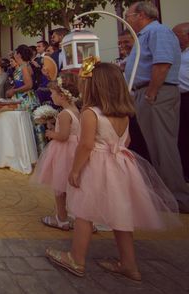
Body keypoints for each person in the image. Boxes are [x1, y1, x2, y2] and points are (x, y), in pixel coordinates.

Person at [45, 60, 179, 281]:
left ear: (94, 86)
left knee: (84, 213)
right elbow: (126, 141)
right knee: (121, 213)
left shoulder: (91, 113)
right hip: (120, 166)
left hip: (96, 165)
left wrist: (76, 170)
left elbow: (86, 145)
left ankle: (76, 258)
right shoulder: (124, 114)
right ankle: (129, 264)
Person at [124, 1, 189, 211]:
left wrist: (152, 92)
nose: (127, 21)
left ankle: (178, 198)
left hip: (156, 93)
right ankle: (164, 195)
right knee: (153, 145)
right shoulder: (145, 35)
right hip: (145, 92)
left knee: (163, 146)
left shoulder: (158, 32)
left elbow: (162, 63)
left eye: (129, 16)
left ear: (141, 15)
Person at [31, 74, 80, 230]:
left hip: (64, 152)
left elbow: (64, 136)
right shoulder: (76, 110)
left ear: (62, 95)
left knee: (59, 188)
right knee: (71, 187)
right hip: (73, 150)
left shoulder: (65, 114)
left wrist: (51, 134)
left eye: (53, 93)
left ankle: (62, 218)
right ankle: (76, 216)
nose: (51, 96)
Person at [172, 22, 189, 181]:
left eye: (177, 36)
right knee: (182, 134)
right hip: (179, 98)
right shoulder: (178, 53)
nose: (174, 39)